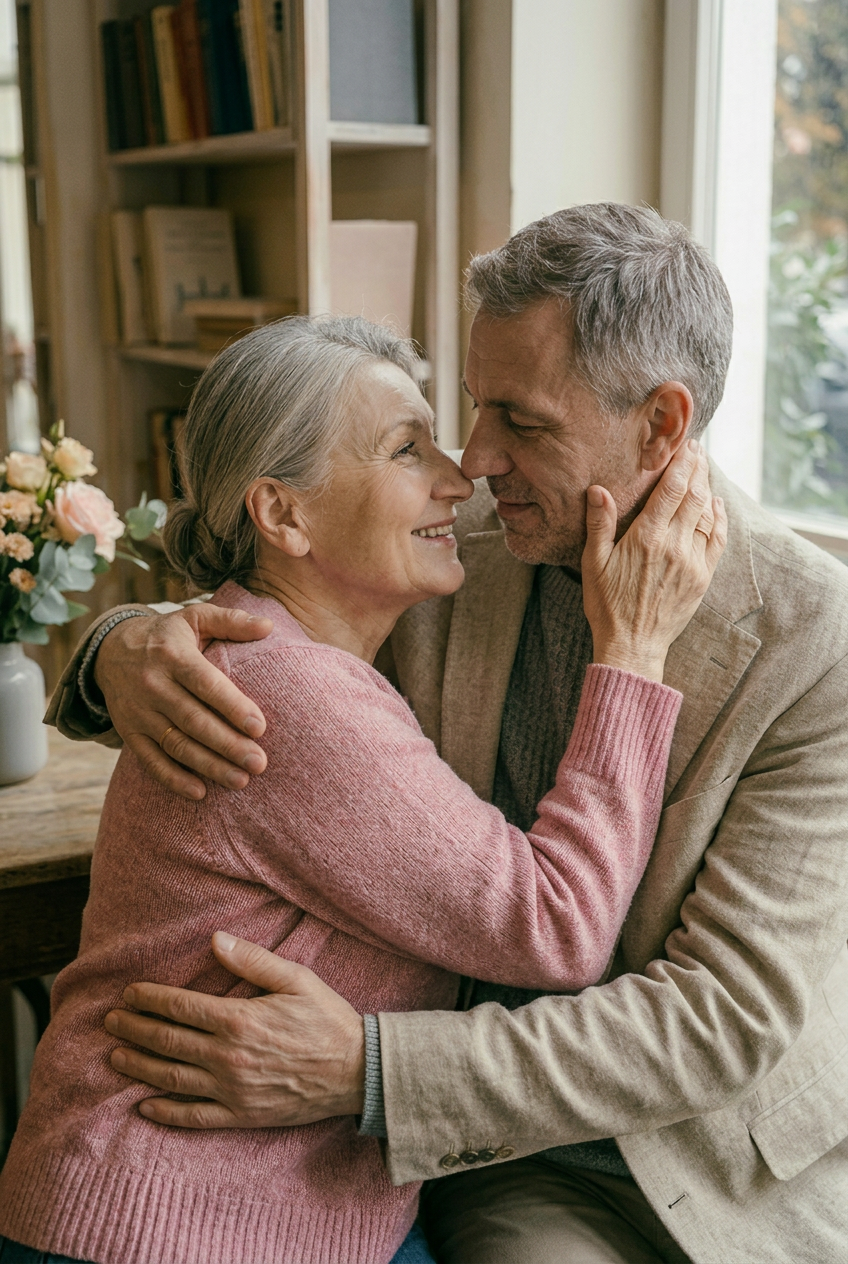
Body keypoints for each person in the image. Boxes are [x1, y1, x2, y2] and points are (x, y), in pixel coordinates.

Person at [38, 205, 848, 1263]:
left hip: (715, 1152)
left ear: (660, 423)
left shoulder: (815, 638)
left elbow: (720, 1022)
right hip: (497, 1153)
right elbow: (273, 613)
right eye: (472, 408)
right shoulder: (445, 536)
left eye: (523, 422)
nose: (475, 461)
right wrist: (120, 643)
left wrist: (364, 1068)